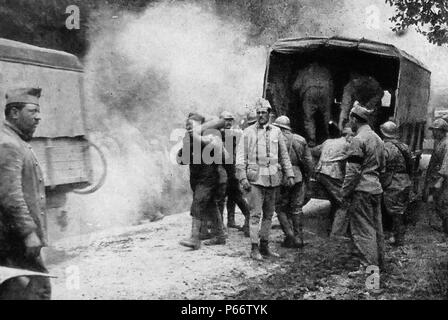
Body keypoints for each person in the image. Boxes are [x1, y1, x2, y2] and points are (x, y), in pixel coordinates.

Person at [0, 87, 52, 299]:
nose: (38, 117)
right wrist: (28, 233)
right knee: (36, 290)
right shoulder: (8, 144)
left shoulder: (16, 140)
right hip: (13, 241)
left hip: (13, 241)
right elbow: (10, 196)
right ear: (14, 113)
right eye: (32, 111)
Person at [236, 98, 295, 260]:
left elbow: (284, 155)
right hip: (255, 180)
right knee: (255, 214)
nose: (261, 115)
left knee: (269, 215)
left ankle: (264, 246)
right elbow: (240, 157)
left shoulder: (276, 132)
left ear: (269, 114)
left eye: (264, 112)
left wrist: (289, 174)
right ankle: (254, 248)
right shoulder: (247, 132)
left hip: (273, 179)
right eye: (259, 112)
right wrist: (242, 178)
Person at [342, 102, 385, 271]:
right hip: (376, 188)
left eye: (350, 119)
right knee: (377, 230)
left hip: (361, 191)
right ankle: (379, 266)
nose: (349, 122)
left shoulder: (358, 140)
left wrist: (344, 192)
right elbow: (382, 167)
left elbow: (353, 172)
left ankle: (370, 274)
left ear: (354, 118)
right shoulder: (378, 139)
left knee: (363, 232)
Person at [177, 113, 227, 249]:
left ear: (200, 125)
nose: (188, 127)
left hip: (209, 178)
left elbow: (207, 142)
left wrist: (195, 136)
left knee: (197, 204)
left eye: (191, 124)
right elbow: (181, 160)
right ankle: (220, 236)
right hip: (197, 178)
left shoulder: (211, 135)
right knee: (211, 205)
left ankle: (194, 238)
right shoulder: (189, 140)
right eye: (187, 125)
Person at [272, 116, 314, 248]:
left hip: (279, 176)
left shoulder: (273, 139)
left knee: (279, 207)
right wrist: (308, 177)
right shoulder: (300, 140)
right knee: (296, 208)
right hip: (297, 176)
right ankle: (298, 238)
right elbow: (308, 162)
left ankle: (289, 235)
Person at [311, 122, 353, 237]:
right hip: (332, 175)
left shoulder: (328, 141)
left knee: (335, 201)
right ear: (349, 135)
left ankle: (330, 227)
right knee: (345, 203)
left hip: (319, 172)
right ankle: (337, 235)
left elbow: (313, 151)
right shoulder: (348, 144)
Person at [379, 121, 412, 246]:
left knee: (394, 212)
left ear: (383, 133)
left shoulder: (385, 147)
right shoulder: (404, 146)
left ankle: (397, 239)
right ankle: (396, 235)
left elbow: (382, 165)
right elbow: (410, 164)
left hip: (393, 181)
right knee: (400, 211)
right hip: (404, 180)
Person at [219, 111, 251, 235]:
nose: (228, 122)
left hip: (231, 170)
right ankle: (222, 224)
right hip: (222, 171)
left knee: (235, 196)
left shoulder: (234, 133)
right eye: (226, 120)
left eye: (230, 120)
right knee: (223, 197)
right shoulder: (216, 133)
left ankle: (241, 220)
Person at [292, 61, 334, 147]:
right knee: (327, 116)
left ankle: (312, 140)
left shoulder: (304, 71)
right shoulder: (325, 71)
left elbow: (295, 86)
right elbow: (331, 85)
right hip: (325, 91)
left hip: (309, 91)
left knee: (308, 117)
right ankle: (330, 136)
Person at [423, 118, 448, 235]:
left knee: (443, 204)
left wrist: (440, 180)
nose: (433, 132)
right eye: (433, 130)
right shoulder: (440, 142)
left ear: (443, 131)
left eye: (436, 130)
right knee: (437, 202)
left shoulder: (446, 143)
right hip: (438, 177)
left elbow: (446, 164)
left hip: (444, 179)